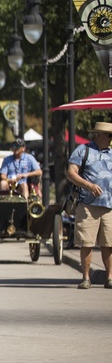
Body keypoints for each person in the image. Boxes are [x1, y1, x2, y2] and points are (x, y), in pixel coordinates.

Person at [66, 122, 112, 290]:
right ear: (100, 135)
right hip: (87, 204)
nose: (111, 139)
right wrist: (89, 186)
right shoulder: (83, 150)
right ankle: (86, 278)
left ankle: (110, 278)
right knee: (87, 242)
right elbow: (71, 173)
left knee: (109, 243)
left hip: (110, 205)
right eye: (109, 135)